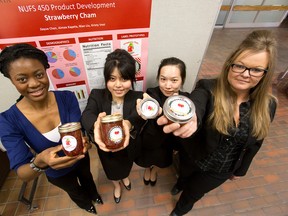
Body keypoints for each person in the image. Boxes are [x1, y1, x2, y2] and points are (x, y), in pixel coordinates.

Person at [157, 30, 278, 215]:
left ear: (265, 73)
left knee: (193, 193)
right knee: (183, 177)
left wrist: (241, 170)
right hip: (193, 156)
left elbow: (256, 143)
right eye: (239, 66)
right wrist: (190, 116)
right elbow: (197, 104)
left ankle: (179, 211)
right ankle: (179, 184)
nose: (245, 74)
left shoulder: (268, 105)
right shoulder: (207, 87)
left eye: (256, 69)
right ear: (229, 65)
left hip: (221, 170)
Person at [0, 43, 102, 215]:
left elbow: (79, 134)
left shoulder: (67, 98)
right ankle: (86, 204)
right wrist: (41, 161)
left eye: (39, 74)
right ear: (11, 80)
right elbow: (23, 173)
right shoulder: (8, 120)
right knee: (74, 190)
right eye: (22, 79)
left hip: (81, 160)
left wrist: (86, 141)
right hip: (57, 174)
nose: (33, 84)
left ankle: (94, 195)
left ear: (46, 71)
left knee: (87, 178)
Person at [81, 49, 144, 204]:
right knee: (111, 171)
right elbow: (87, 115)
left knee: (125, 168)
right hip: (106, 151)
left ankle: (125, 177)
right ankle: (116, 185)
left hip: (129, 148)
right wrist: (96, 125)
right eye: (112, 78)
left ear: (132, 79)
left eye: (124, 79)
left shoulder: (138, 97)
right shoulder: (97, 95)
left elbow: (140, 118)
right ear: (106, 79)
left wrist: (129, 123)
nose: (118, 85)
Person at [135, 57, 189, 186]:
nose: (168, 85)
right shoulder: (151, 94)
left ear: (182, 81)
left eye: (174, 80)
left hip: (168, 143)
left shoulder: (185, 100)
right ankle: (148, 169)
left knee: (161, 161)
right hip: (151, 138)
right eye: (163, 79)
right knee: (148, 160)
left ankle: (154, 172)